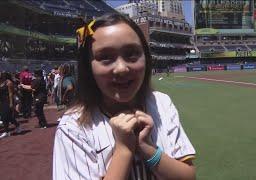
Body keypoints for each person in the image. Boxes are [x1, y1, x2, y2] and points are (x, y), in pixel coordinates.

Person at [53, 14, 196, 180]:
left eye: (132, 53)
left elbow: (188, 176)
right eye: (105, 57)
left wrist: (147, 149)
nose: (121, 68)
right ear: (88, 67)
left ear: (146, 58)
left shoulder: (161, 102)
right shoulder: (73, 126)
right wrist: (124, 150)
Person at [0, 72, 21, 139]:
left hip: (8, 101)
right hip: (2, 101)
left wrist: (11, 103)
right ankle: (16, 126)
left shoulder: (8, 83)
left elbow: (10, 94)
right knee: (6, 117)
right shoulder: (1, 82)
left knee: (5, 116)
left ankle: (7, 131)